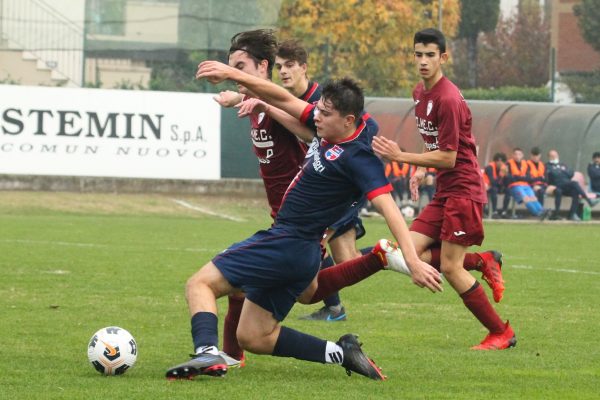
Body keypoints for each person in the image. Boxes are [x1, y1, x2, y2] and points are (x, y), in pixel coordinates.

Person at [167, 63, 443, 380]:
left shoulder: (358, 159)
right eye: (319, 110)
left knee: (199, 284)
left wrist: (412, 260)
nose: (317, 116)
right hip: (304, 253)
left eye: (325, 113)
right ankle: (343, 353)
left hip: (287, 242)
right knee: (254, 336)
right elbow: (284, 99)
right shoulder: (338, 128)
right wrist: (238, 77)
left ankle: (206, 353)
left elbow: (389, 208)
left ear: (349, 120)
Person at [372, 28, 515, 350]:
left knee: (449, 266)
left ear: (443, 58)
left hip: (463, 189)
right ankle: (482, 261)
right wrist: (422, 168)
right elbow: (435, 142)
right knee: (409, 252)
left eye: (430, 55)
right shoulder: (420, 93)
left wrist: (401, 157)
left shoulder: (448, 99)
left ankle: (501, 333)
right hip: (445, 191)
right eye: (418, 54)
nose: (423, 61)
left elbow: (449, 157)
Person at [546, 149, 599, 221]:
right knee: (574, 183)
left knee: (575, 191)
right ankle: (589, 200)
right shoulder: (548, 166)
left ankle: (571, 214)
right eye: (553, 156)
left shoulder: (562, 164)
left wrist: (561, 171)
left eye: (556, 155)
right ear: (549, 157)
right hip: (557, 185)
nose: (555, 157)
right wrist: (562, 171)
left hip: (566, 185)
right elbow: (553, 175)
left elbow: (571, 173)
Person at [506, 148, 549, 219]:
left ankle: (542, 211)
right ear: (512, 155)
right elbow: (510, 177)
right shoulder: (508, 163)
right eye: (515, 154)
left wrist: (518, 177)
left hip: (526, 185)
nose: (517, 156)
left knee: (533, 198)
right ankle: (537, 213)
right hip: (515, 186)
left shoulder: (525, 163)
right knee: (526, 198)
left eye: (519, 154)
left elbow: (529, 177)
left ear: (522, 155)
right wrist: (522, 177)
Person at [483, 152, 508, 218]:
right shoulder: (489, 167)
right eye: (498, 161)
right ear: (495, 161)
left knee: (508, 190)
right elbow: (492, 181)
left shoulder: (504, 168)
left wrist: (506, 175)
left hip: (496, 186)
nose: (500, 162)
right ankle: (494, 212)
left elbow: (507, 182)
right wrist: (501, 176)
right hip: (486, 187)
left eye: (502, 161)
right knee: (494, 189)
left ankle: (504, 212)